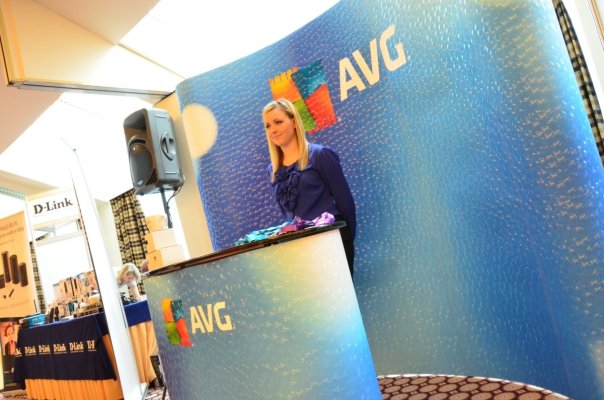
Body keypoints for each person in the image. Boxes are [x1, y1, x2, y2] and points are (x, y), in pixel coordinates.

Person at [263, 98, 356, 277]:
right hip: (299, 250)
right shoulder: (273, 170)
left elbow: (345, 202)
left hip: (331, 243)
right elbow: (287, 216)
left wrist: (346, 242)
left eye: (278, 122)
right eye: (267, 126)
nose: (272, 130)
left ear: (294, 122)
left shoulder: (320, 155)